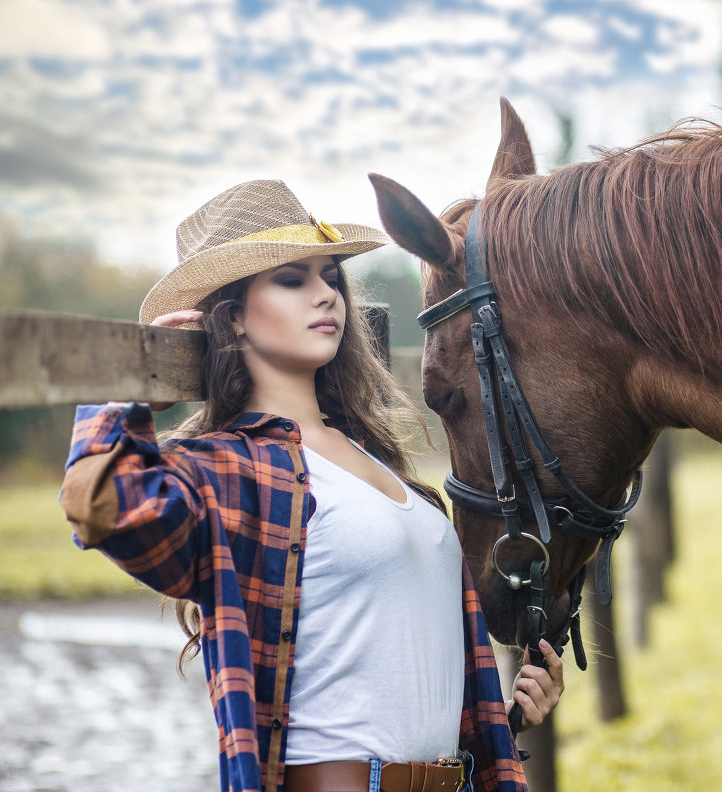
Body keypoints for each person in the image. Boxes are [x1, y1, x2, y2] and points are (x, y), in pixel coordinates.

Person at [59, 179, 562, 792]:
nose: (325, 293)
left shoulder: (377, 461)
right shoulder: (225, 470)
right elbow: (101, 508)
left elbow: (389, 664)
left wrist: (504, 717)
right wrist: (132, 394)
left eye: (329, 276)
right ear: (234, 318)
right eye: (292, 279)